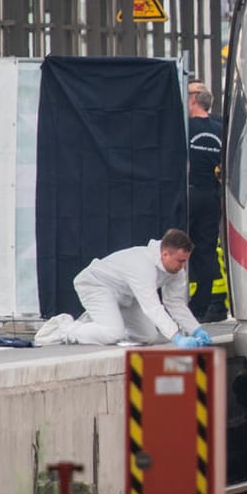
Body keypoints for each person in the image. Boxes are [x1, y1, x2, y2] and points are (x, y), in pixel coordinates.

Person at [32, 230, 210, 347]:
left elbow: (175, 303)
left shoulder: (176, 271)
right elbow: (152, 306)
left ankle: (101, 323)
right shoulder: (143, 266)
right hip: (95, 285)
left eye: (185, 260)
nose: (183, 266)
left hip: (125, 295)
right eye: (180, 261)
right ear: (165, 254)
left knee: (148, 337)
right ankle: (66, 329)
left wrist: (196, 330)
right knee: (112, 334)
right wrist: (177, 338)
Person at [186, 81, 228, 323]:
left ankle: (181, 304)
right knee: (207, 249)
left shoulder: (187, 127)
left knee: (179, 246)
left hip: (190, 194)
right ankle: (202, 307)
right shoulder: (220, 127)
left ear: (193, 99)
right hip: (213, 195)